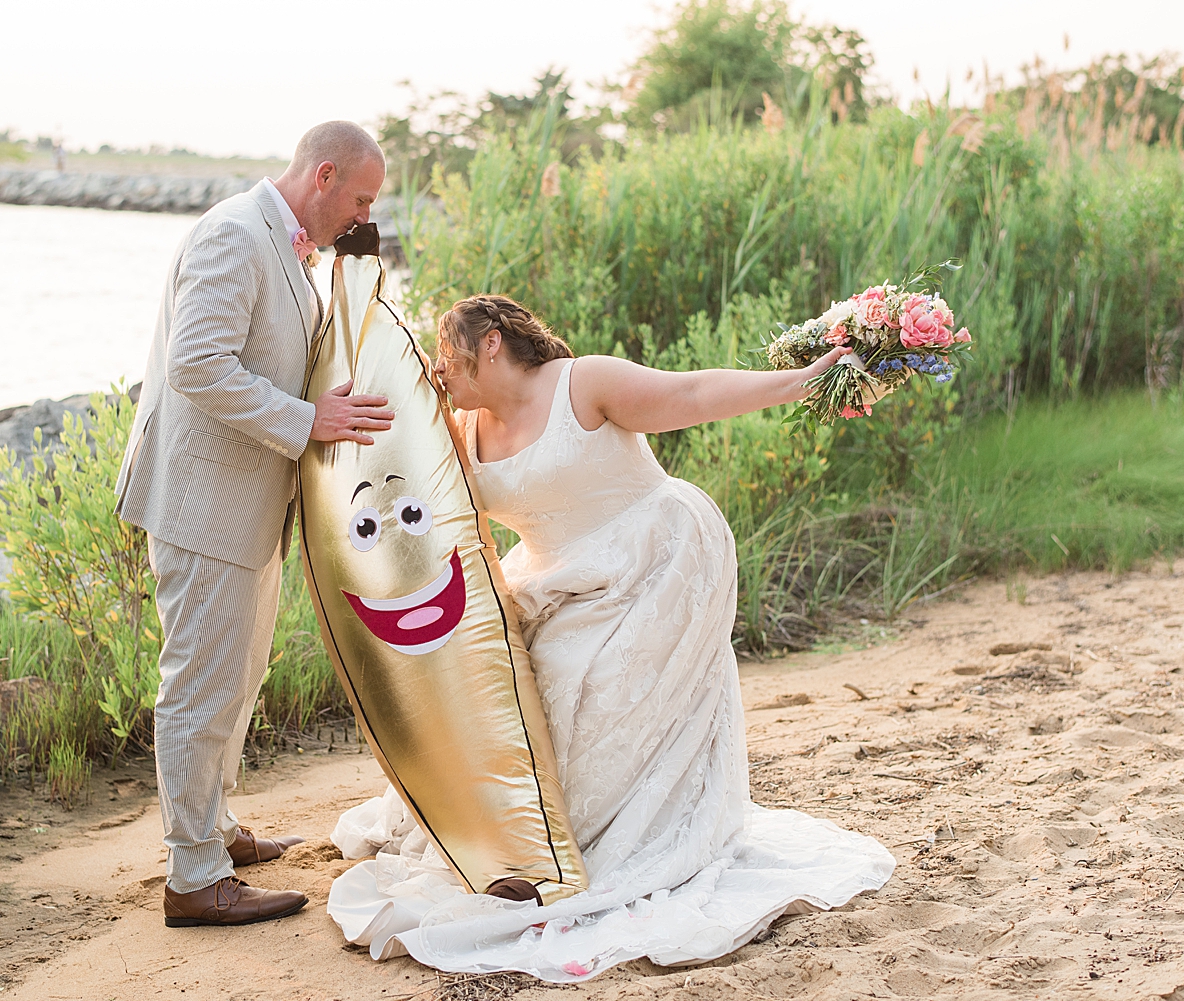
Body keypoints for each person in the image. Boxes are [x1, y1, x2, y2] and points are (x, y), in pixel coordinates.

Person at [326, 295, 895, 979]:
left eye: (448, 352)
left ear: (494, 344)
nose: (442, 368)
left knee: (577, 690)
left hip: (653, 558)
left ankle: (598, 844)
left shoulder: (583, 384)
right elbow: (392, 465)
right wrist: (389, 380)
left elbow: (695, 391)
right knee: (516, 701)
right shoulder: (461, 427)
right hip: (552, 573)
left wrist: (805, 378)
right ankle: (525, 844)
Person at [115, 121, 394, 928]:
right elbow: (196, 364)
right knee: (200, 685)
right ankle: (193, 876)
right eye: (363, 198)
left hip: (248, 507)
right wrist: (309, 421)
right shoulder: (236, 234)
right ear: (326, 173)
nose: (366, 213)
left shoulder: (286, 242)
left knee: (237, 676)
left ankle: (217, 830)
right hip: (204, 505)